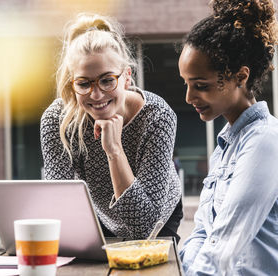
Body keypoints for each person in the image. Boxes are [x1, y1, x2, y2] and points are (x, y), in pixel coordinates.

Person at [178, 0, 278, 275]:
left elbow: (224, 244)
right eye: (187, 84)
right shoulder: (224, 146)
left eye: (200, 86)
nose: (189, 97)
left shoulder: (266, 141)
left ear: (240, 77)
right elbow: (204, 231)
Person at [40, 13, 182, 242]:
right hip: (102, 217)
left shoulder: (157, 117)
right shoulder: (56, 120)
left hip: (157, 218)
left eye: (107, 80)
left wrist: (114, 150)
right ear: (72, 85)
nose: (96, 95)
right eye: (84, 83)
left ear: (126, 76)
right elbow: (60, 205)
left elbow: (144, 228)